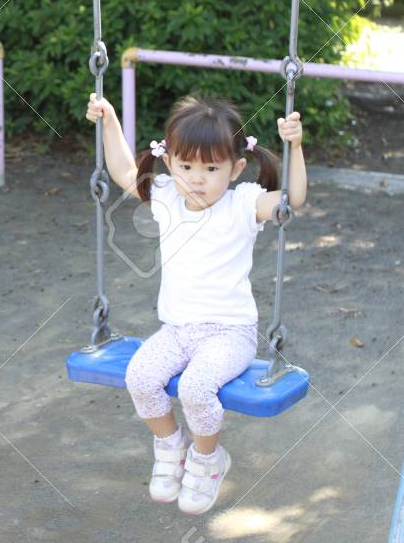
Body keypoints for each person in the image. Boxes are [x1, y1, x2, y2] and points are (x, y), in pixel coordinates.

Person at [85, 94, 306, 514]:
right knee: (141, 377)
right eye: (186, 166)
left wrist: (295, 145)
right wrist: (110, 120)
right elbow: (122, 171)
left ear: (236, 168)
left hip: (230, 335)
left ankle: (208, 460)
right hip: (177, 330)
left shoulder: (243, 204)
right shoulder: (166, 194)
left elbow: (290, 201)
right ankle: (171, 448)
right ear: (169, 162)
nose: (196, 178)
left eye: (210, 168)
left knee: (195, 388)